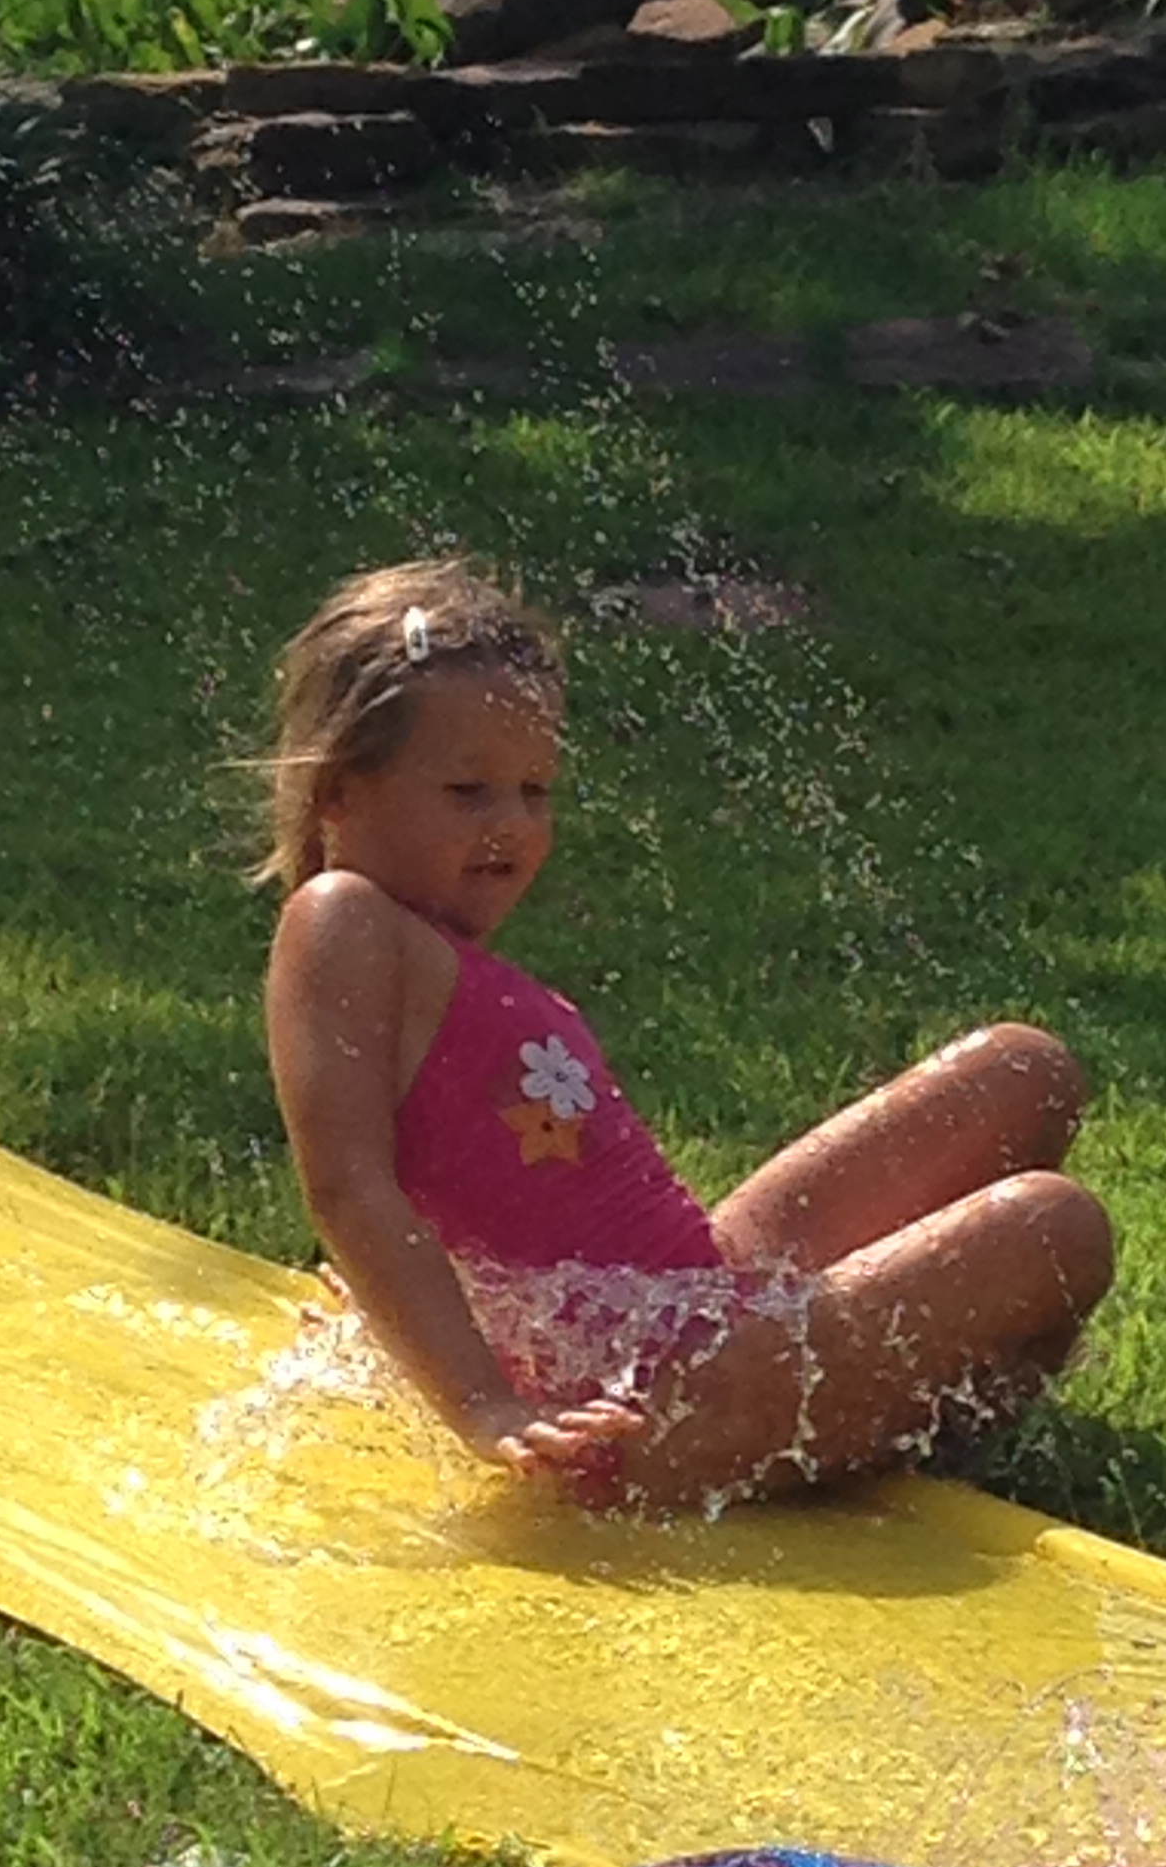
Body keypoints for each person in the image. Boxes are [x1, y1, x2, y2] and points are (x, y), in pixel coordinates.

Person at [258, 557, 1114, 1516]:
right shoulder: (343, 919)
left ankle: (873, 1419)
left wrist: (422, 1311)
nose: (513, 825)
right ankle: (873, 1443)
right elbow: (347, 1186)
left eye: (536, 791)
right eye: (469, 791)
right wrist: (481, 1402)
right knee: (1056, 1227)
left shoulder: (421, 952)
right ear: (340, 791)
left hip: (691, 1297)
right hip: (649, 1404)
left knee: (1023, 1070)